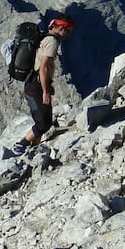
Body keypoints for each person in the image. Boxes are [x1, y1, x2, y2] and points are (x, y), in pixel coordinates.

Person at [17, 14, 74, 151]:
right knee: (43, 122)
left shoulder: (45, 38)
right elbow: (43, 68)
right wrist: (45, 91)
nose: (68, 34)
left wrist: (48, 86)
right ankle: (21, 145)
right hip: (36, 85)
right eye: (68, 30)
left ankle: (34, 148)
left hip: (34, 83)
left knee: (45, 120)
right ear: (61, 28)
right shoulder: (52, 42)